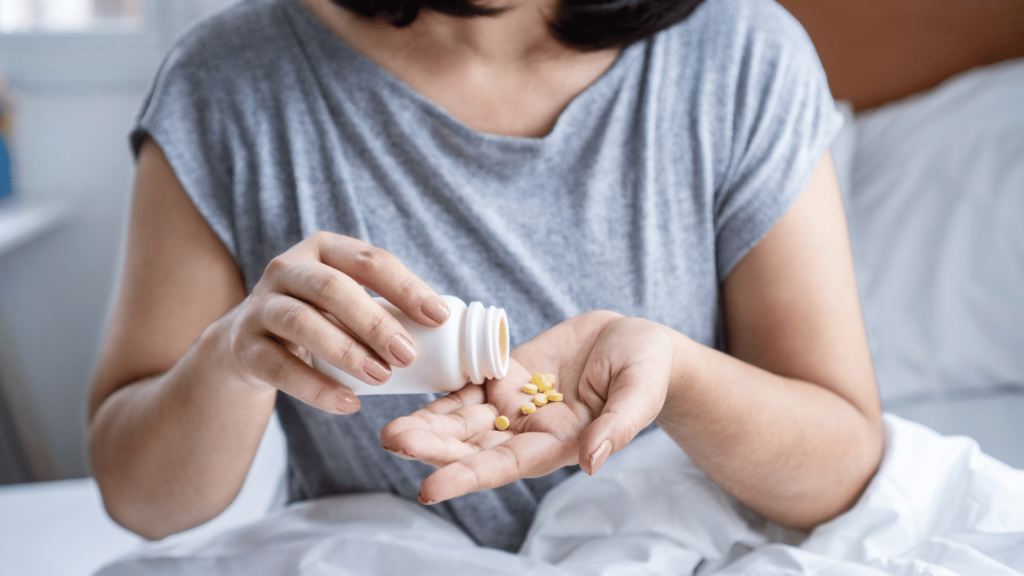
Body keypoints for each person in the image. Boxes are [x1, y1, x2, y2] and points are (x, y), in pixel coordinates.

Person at [88, 0, 883, 553]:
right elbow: (142, 503)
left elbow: (842, 466)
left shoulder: (737, 52)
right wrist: (231, 359)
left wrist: (676, 376)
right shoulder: (230, 79)